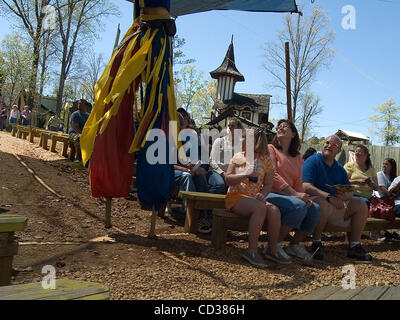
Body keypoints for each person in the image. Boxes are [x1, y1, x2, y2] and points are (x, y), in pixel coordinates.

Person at [225, 128, 289, 268]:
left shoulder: (266, 160)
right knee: (260, 207)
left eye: (245, 138)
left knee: (274, 211)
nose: (241, 140)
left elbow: (268, 184)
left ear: (255, 142)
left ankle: (272, 250)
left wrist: (263, 194)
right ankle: (251, 251)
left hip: (254, 199)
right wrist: (245, 175)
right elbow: (228, 179)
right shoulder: (238, 157)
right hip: (236, 197)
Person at [302, 134, 372, 262]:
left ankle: (354, 245)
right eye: (327, 142)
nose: (329, 145)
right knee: (323, 203)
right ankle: (316, 242)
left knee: (361, 205)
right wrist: (329, 197)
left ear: (339, 150)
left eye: (333, 145)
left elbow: (349, 189)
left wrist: (345, 196)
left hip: (335, 207)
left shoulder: (339, 168)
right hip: (314, 205)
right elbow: (305, 186)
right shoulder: (313, 161)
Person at [265, 120, 321, 262]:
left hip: (289, 196)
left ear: (293, 134)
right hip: (269, 192)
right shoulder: (270, 148)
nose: (280, 128)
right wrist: (295, 195)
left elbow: (298, 181)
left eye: (285, 126)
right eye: (279, 127)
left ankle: (294, 244)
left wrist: (303, 196)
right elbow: (272, 174)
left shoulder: (296, 156)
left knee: (315, 209)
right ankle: (273, 246)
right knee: (298, 205)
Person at [208, 118, 242, 195]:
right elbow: (212, 161)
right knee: (220, 185)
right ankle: (202, 202)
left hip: (232, 175)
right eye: (228, 126)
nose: (230, 128)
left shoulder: (241, 145)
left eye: (233, 126)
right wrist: (223, 173)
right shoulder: (219, 141)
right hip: (216, 171)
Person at [371, 158, 398, 240]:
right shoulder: (380, 174)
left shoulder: (393, 177)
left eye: (386, 164)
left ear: (392, 167)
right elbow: (383, 190)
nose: (384, 166)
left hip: (389, 200)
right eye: (384, 163)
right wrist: (393, 194)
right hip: (380, 200)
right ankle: (374, 233)